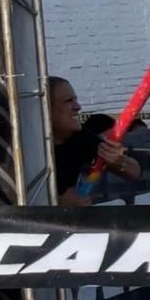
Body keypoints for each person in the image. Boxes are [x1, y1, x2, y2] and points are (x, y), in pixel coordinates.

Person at [48, 76, 142, 206]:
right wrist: (57, 201)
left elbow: (134, 172)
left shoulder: (79, 137)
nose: (78, 107)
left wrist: (119, 161)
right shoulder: (25, 148)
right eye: (68, 100)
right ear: (46, 109)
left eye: (76, 100)